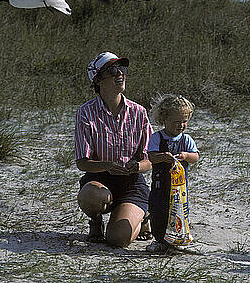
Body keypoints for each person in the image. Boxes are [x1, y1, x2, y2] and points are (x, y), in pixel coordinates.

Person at [74, 51, 153, 247]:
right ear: (97, 80)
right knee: (91, 195)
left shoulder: (139, 112)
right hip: (100, 180)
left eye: (122, 69)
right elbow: (82, 162)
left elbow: (151, 158)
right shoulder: (86, 113)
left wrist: (136, 167)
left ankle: (142, 216)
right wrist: (107, 166)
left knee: (118, 240)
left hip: (131, 183)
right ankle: (96, 220)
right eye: (112, 70)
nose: (120, 74)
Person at [146, 94, 200, 253]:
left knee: (179, 211)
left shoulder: (186, 140)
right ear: (164, 119)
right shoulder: (157, 137)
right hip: (160, 185)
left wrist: (185, 156)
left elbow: (195, 156)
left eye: (184, 121)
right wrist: (163, 157)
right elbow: (151, 157)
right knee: (158, 210)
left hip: (179, 187)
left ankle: (178, 238)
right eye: (177, 121)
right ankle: (159, 239)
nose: (181, 125)